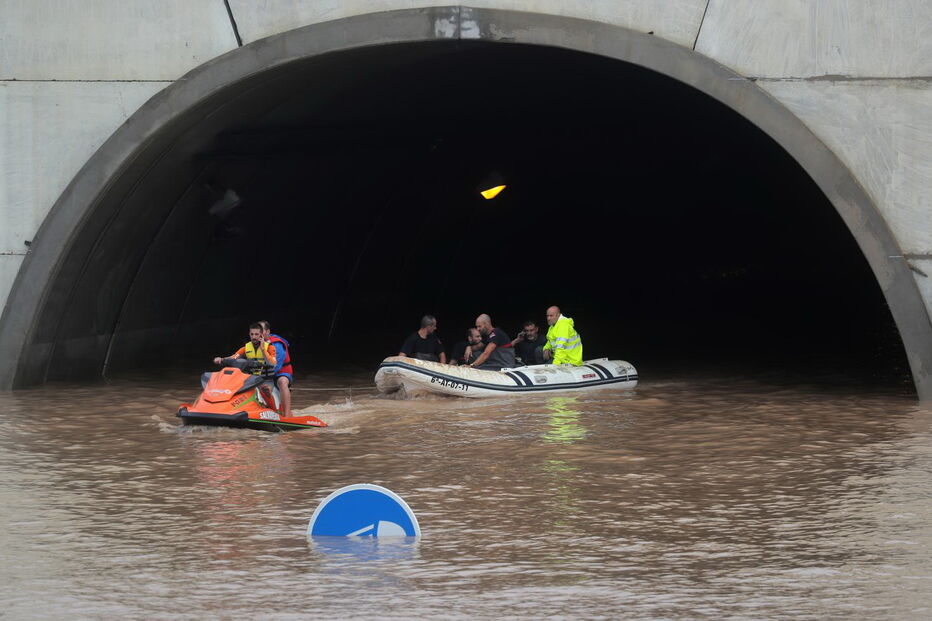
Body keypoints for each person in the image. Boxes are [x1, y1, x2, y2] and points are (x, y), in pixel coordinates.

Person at [259, 320, 295, 416]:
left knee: (282, 382)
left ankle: (287, 414)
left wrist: (261, 375)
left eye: (262, 330)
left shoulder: (277, 344)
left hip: (281, 373)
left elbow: (276, 365)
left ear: (268, 332)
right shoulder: (253, 344)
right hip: (264, 373)